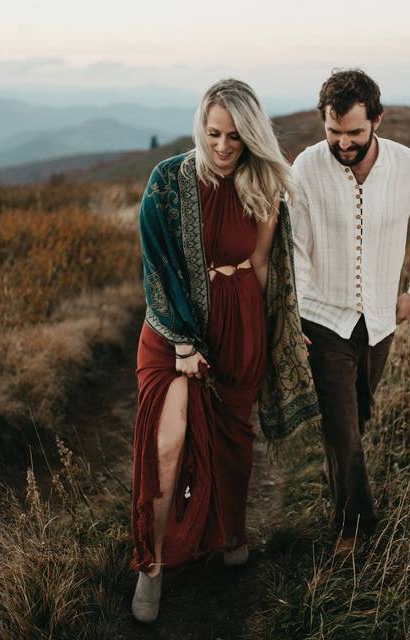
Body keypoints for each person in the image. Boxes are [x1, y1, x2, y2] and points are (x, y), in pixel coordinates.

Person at [131, 78, 320, 623]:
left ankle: (230, 531)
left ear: (252, 135)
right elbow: (155, 266)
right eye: (213, 133)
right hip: (171, 333)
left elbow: (263, 266)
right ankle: (152, 566)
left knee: (236, 440)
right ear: (200, 127)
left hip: (239, 324)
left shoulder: (262, 183)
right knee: (167, 445)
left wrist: (281, 328)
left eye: (234, 136)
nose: (221, 146)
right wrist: (184, 340)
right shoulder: (168, 181)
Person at [290, 69, 410, 551]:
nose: (343, 143)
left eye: (354, 133)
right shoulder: (306, 167)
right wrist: (294, 315)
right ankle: (354, 527)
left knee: (360, 415)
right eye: (333, 132)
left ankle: (336, 468)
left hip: (381, 318)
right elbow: (293, 246)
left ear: (377, 119)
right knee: (341, 422)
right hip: (322, 315)